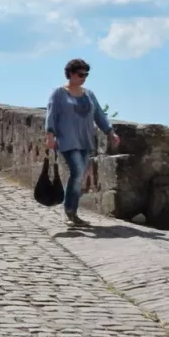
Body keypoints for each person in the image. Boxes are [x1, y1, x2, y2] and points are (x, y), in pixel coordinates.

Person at [44, 58, 121, 227]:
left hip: (85, 140)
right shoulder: (58, 93)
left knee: (79, 176)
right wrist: (50, 136)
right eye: (80, 74)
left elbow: (99, 114)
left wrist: (110, 132)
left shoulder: (89, 94)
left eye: (86, 74)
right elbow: (51, 115)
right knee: (78, 171)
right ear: (71, 74)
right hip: (66, 139)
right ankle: (70, 210)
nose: (83, 77)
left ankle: (72, 211)